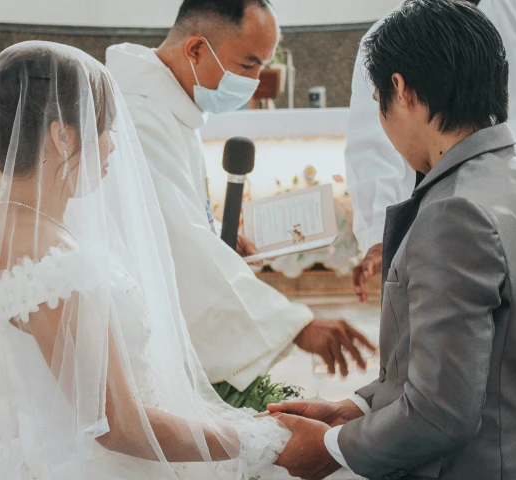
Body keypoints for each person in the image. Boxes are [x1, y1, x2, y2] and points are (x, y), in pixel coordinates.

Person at [0, 41, 293, 480]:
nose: (113, 147)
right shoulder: (51, 260)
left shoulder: (12, 226)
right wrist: (256, 440)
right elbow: (119, 427)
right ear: (62, 135)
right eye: (106, 130)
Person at [267, 1, 516, 478]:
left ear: (400, 89)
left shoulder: (454, 212)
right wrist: (357, 410)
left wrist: (332, 447)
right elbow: (467, 367)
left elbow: (439, 413)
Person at [105, 0, 375, 398]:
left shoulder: (172, 102)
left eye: (262, 68)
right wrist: (296, 324)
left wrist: (216, 239)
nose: (254, 81)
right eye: (248, 66)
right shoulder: (140, 115)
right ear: (196, 49)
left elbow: (171, 222)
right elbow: (179, 251)